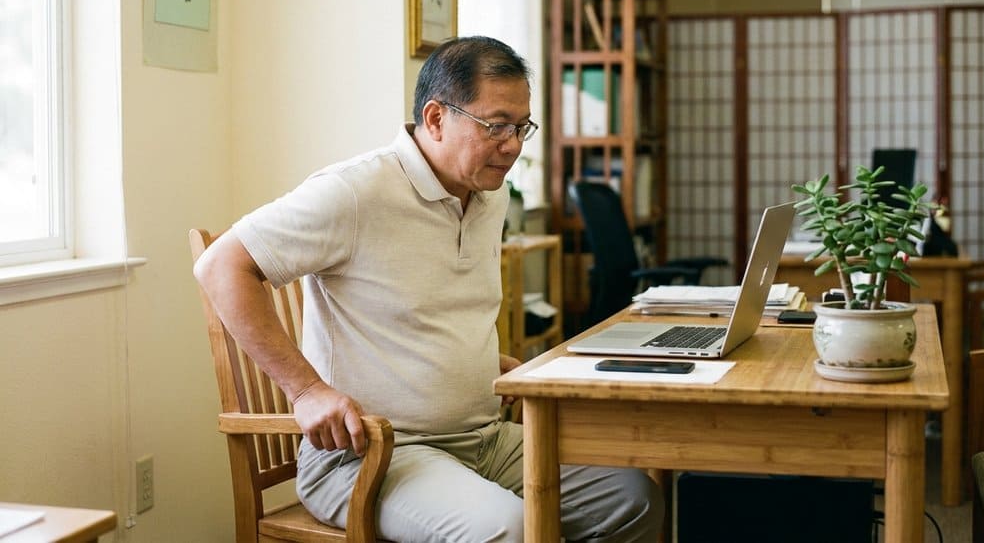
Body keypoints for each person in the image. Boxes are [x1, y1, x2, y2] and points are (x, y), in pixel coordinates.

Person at [193, 36, 664, 542]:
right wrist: (307, 391)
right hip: (372, 452)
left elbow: (427, 308)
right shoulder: (355, 191)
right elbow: (220, 266)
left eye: (521, 126)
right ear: (436, 118)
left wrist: (485, 362)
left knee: (633, 498)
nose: (513, 145)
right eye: (496, 125)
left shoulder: (490, 192)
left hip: (485, 438)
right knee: (505, 529)